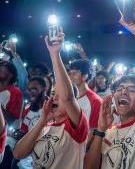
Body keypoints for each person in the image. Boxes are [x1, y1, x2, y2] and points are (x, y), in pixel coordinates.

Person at [85, 0, 135, 169]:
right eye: (119, 89)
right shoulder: (108, 132)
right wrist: (100, 130)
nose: (123, 92)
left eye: (131, 90)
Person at [13, 29, 88, 169]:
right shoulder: (45, 127)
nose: (55, 97)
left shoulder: (78, 127)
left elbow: (67, 97)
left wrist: (54, 54)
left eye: (59, 95)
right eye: (53, 93)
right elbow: (18, 154)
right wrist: (42, 121)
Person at [68, 59, 102, 130]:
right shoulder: (67, 96)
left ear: (85, 76)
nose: (70, 77)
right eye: (70, 73)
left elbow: (93, 130)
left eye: (74, 73)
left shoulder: (96, 101)